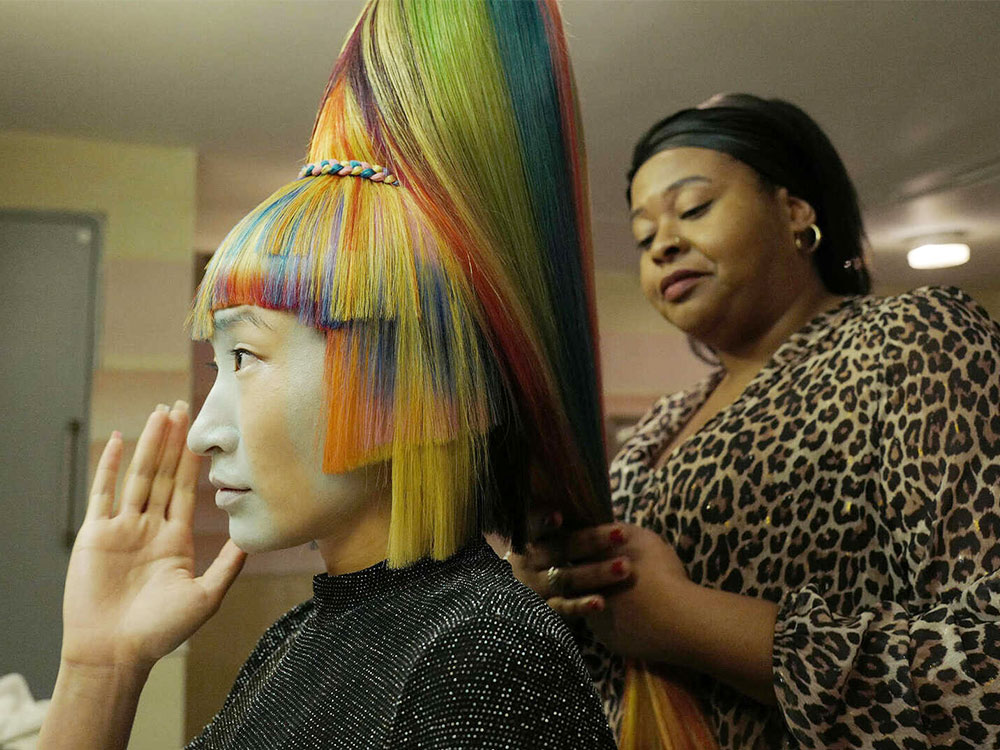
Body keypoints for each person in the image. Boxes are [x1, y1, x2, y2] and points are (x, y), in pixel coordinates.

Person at [37, 1, 618, 747]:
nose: (205, 434)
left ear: (439, 393)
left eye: (245, 357)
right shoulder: (300, 638)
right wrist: (101, 663)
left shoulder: (482, 658)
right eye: (218, 363)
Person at [513, 93, 1000, 749]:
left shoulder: (911, 338)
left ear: (795, 210)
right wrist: (549, 587)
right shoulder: (659, 428)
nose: (663, 244)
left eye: (693, 208)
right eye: (643, 235)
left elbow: (983, 664)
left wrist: (684, 619)